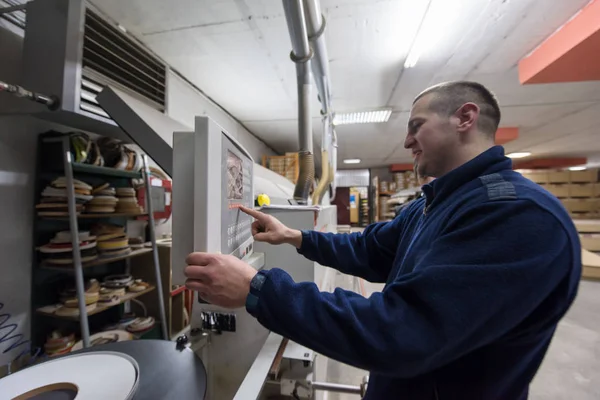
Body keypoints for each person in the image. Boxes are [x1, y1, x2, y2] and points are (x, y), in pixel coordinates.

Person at [184, 81, 581, 399]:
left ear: (465, 117)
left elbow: (402, 332)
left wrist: (258, 290)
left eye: (416, 126)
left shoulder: (517, 216)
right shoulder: (437, 200)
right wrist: (294, 236)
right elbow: (369, 249)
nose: (408, 141)